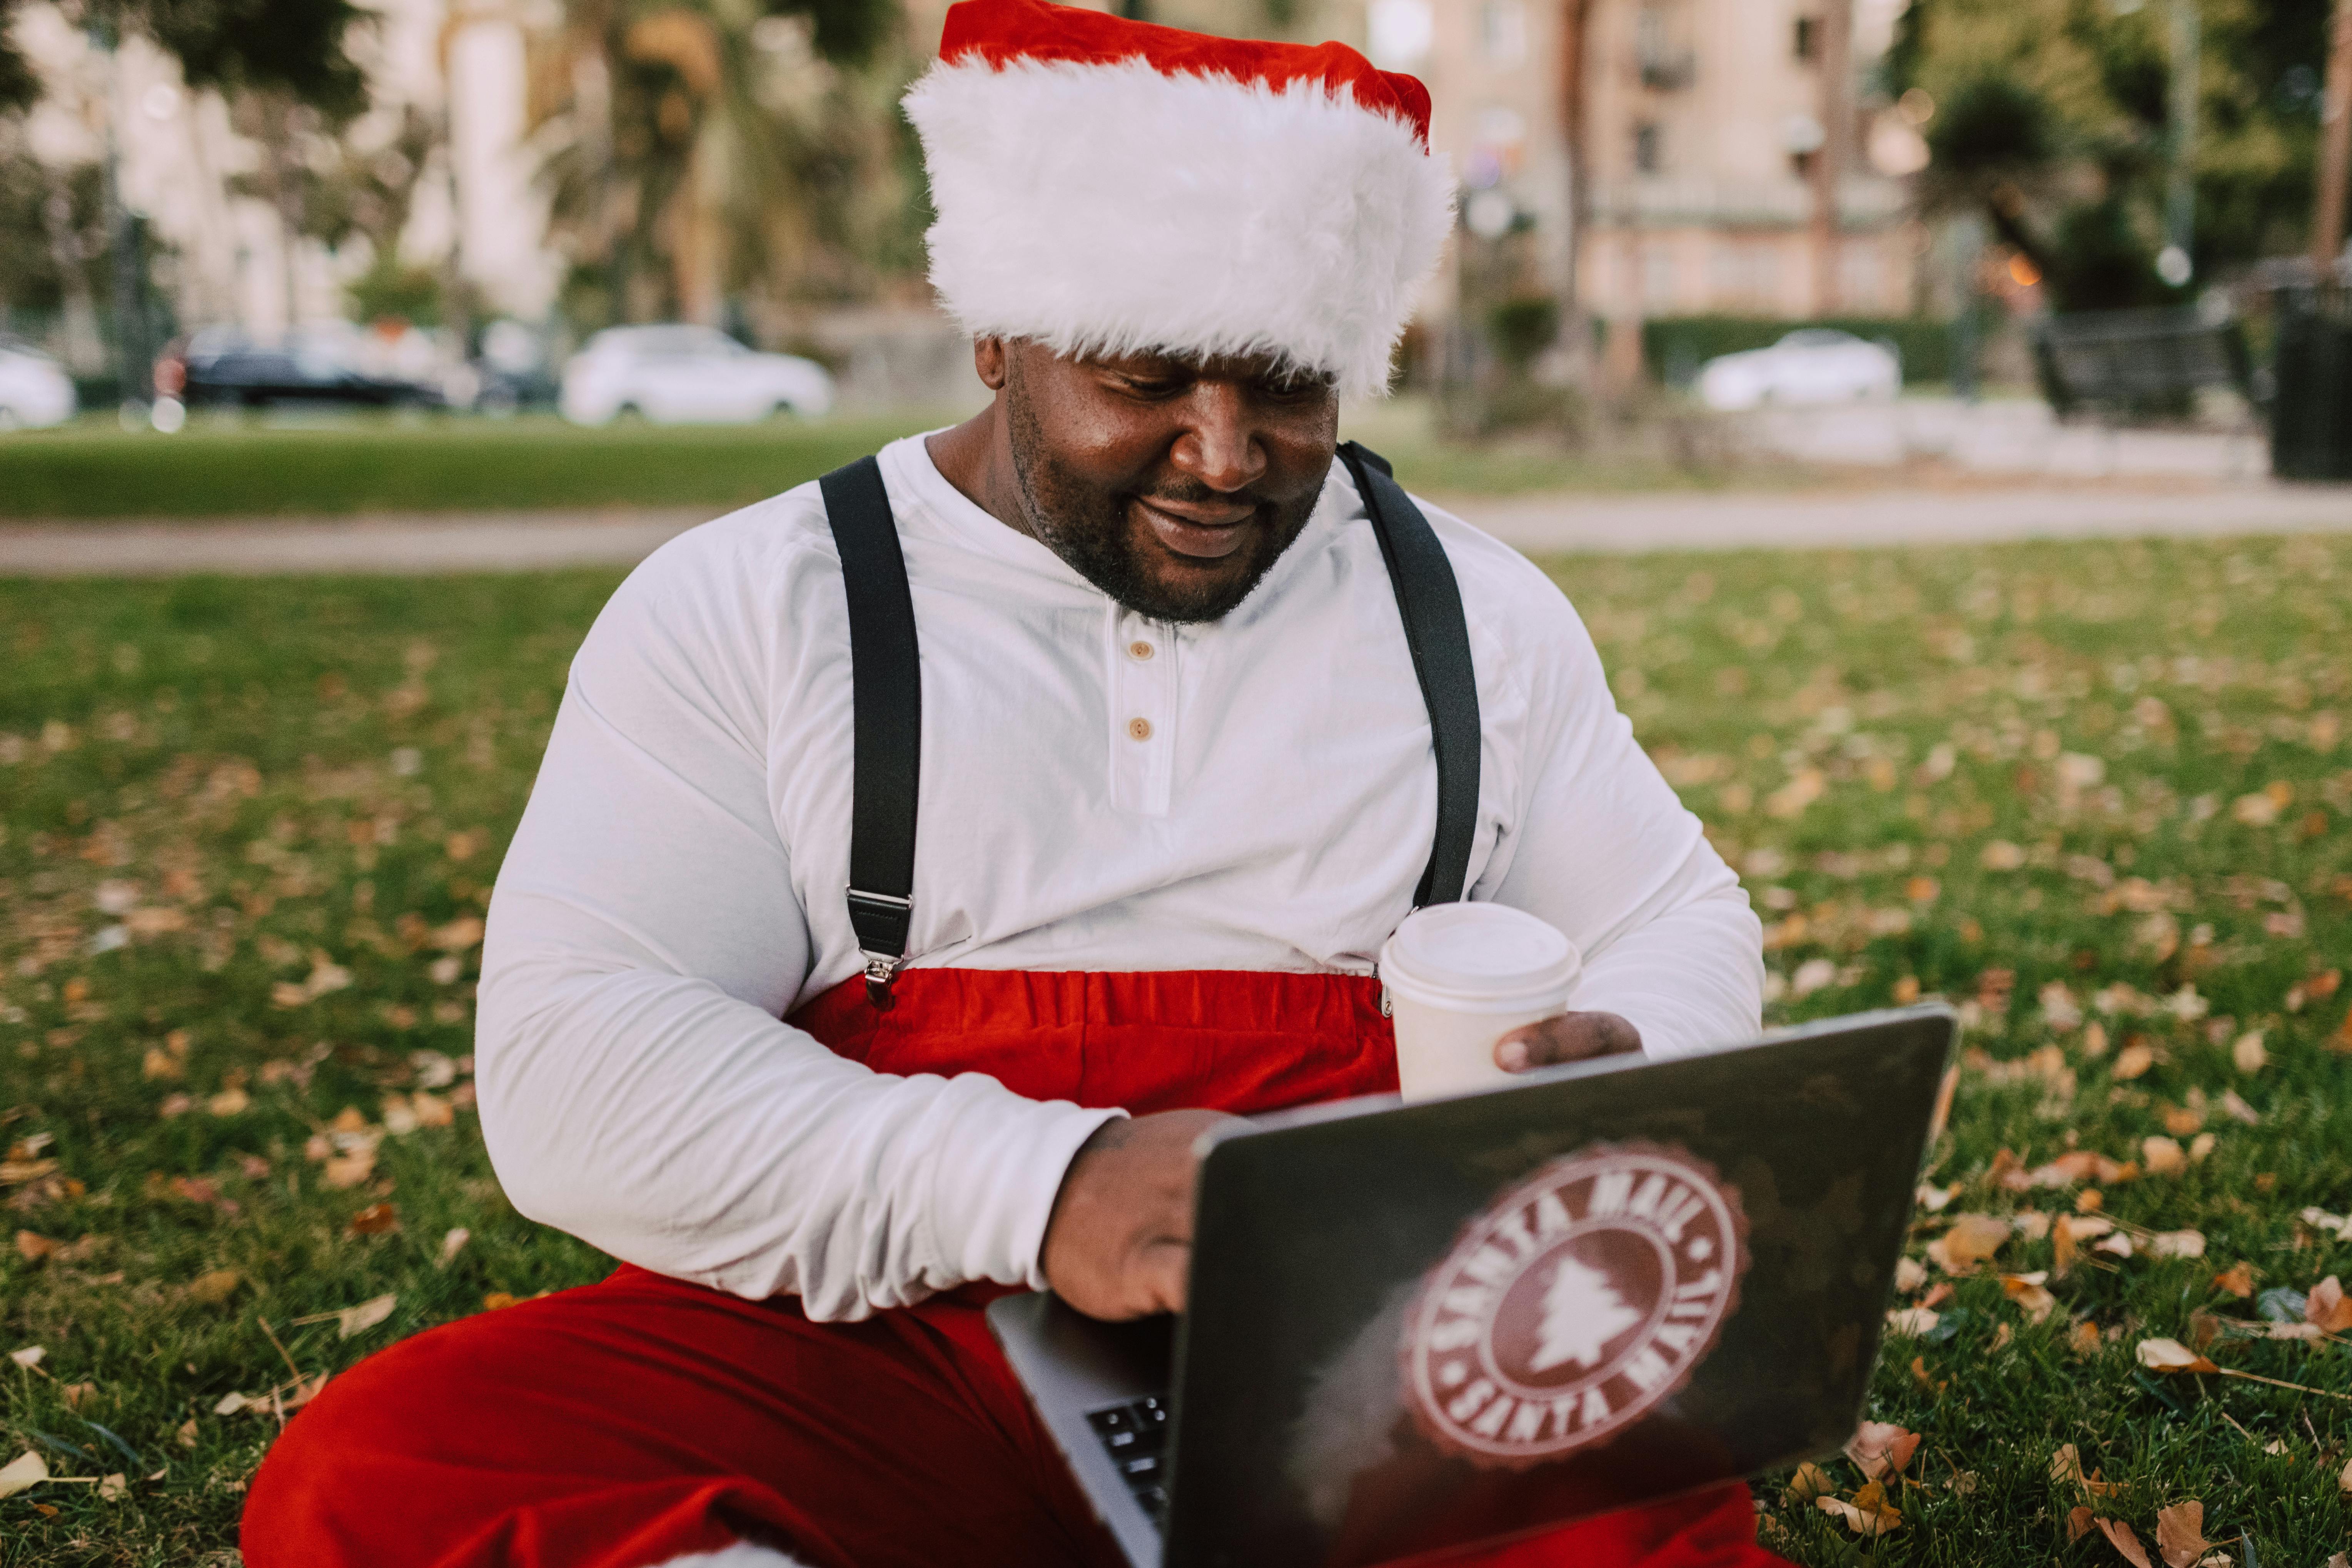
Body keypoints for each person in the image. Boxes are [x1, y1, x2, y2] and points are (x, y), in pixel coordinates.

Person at [241, 2, 1776, 1564]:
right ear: (993, 332)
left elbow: (1670, 913)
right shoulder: (758, 601)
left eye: (1288, 386)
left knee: (1637, 1511)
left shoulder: (1474, 611)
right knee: (388, 1467)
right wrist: (1046, 1186)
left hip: (1372, 1358)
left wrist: (1633, 1051)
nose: (1225, 452)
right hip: (884, 1342)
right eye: (1149, 377)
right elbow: (579, 1061)